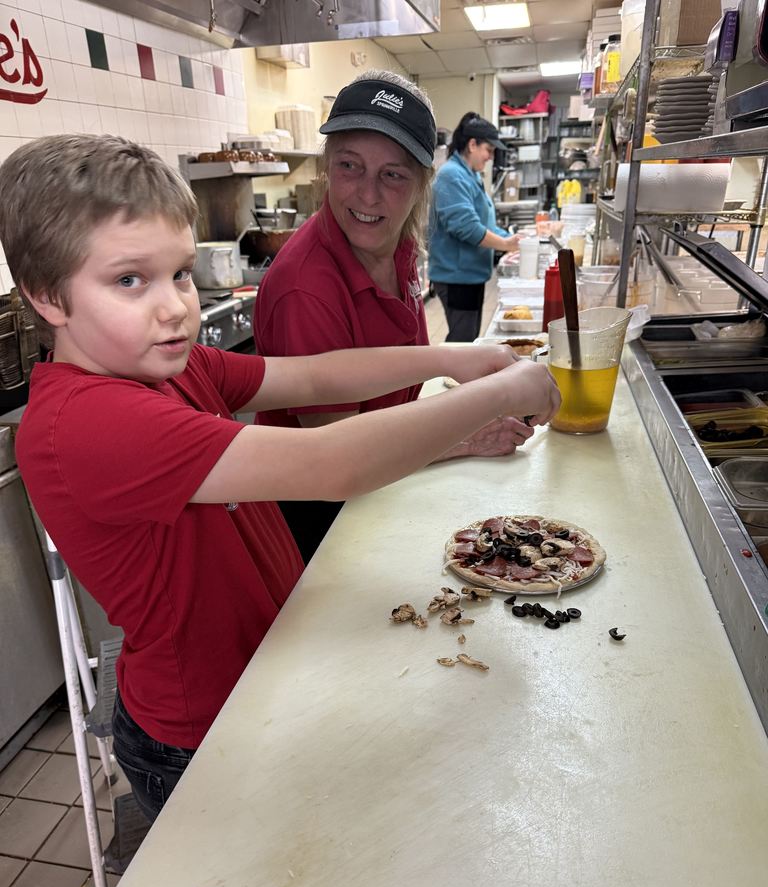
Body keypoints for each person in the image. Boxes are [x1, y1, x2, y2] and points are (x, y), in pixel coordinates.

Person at [0, 134, 560, 822]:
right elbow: (331, 464)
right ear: (47, 296)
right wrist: (502, 392)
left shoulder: (174, 368)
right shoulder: (85, 423)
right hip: (198, 730)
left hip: (263, 672)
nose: (176, 306)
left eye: (179, 273)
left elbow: (315, 372)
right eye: (129, 280)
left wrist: (455, 357)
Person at [255, 71, 535, 564]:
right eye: (350, 166)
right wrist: (463, 435)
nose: (368, 195)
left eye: (393, 174)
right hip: (322, 529)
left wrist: (451, 372)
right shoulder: (306, 288)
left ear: (422, 183)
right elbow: (340, 457)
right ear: (326, 166)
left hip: (385, 493)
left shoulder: (397, 242)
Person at [429, 112, 520, 343]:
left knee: (469, 338)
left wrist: (512, 239)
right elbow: (467, 228)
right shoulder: (452, 175)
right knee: (462, 340)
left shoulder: (470, 176)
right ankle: (447, 378)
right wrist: (505, 245)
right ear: (472, 144)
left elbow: (482, 224)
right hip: (457, 276)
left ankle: (459, 378)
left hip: (470, 274)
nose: (490, 157)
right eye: (488, 150)